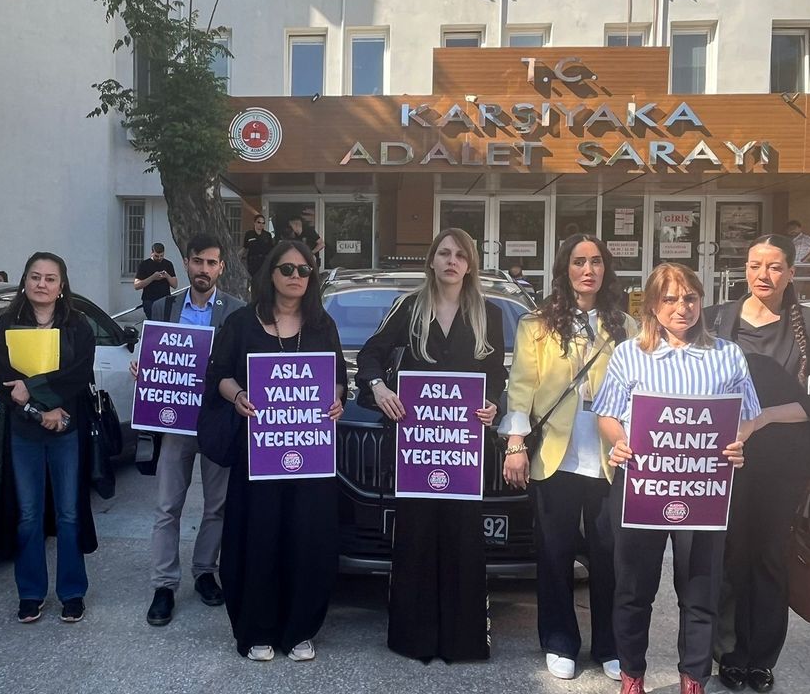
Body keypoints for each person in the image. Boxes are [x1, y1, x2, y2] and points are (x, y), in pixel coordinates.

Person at [592, 262, 762, 694]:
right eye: (669, 299)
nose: (681, 307)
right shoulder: (630, 353)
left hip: (704, 488)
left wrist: (738, 441)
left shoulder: (727, 354)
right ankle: (632, 674)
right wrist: (620, 441)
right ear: (652, 305)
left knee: (700, 591)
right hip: (641, 485)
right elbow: (607, 414)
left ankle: (693, 678)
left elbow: (747, 414)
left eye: (690, 297)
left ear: (701, 301)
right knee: (633, 589)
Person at [356, 228, 506, 663]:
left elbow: (496, 373)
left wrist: (493, 402)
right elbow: (369, 355)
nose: (451, 261)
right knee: (417, 538)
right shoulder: (409, 308)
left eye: (460, 254)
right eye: (444, 253)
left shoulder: (489, 314)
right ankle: (414, 638)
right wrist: (380, 387)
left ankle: (463, 641)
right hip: (417, 448)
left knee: (463, 539)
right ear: (431, 260)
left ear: (470, 264)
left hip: (463, 448)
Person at [706, 234, 810, 693]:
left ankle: (761, 658)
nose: (762, 275)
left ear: (791, 273)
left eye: (774, 267)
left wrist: (763, 418)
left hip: (783, 461)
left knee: (769, 558)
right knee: (729, 556)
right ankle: (728, 654)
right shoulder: (716, 318)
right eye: (754, 265)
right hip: (724, 458)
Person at [500, 234, 634, 681]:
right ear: (565, 269)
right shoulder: (536, 325)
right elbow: (521, 388)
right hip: (556, 456)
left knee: (610, 557)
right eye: (579, 262)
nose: (588, 270)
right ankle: (559, 640)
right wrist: (515, 444)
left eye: (596, 261)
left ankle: (610, 644)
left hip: (611, 459)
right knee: (554, 554)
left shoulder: (626, 326)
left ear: (606, 269)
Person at [205, 239, 345, 662]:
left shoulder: (322, 325)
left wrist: (337, 399)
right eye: (287, 269)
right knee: (259, 537)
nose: (296, 277)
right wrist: (238, 396)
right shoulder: (242, 323)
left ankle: (300, 629)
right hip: (258, 454)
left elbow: (338, 377)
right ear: (270, 273)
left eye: (304, 270)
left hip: (310, 455)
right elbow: (219, 374)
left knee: (306, 538)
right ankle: (257, 629)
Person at [139, 234, 245, 626]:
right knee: (168, 506)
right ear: (185, 262)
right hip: (175, 420)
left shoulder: (237, 311)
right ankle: (164, 584)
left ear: (221, 267)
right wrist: (143, 367)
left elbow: (242, 364)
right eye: (198, 261)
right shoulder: (163, 306)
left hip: (218, 419)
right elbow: (151, 353)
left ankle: (204, 572)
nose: (204, 269)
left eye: (211, 263)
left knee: (217, 505)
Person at [0, 252, 97, 625]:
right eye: (35, 276)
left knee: (68, 514)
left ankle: (72, 592)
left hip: (67, 428)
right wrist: (39, 410)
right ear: (25, 280)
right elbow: (4, 380)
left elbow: (79, 375)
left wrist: (41, 397)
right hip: (24, 432)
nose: (42, 284)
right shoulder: (6, 324)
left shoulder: (78, 325)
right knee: (28, 515)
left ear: (61, 285)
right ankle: (31, 593)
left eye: (50, 278)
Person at [134, 243, 178, 312]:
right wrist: (153, 277)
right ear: (152, 253)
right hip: (149, 300)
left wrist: (167, 276)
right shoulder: (144, 264)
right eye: (156, 256)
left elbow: (175, 285)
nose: (159, 258)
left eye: (161, 256)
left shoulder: (168, 264)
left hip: (165, 300)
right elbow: (137, 286)